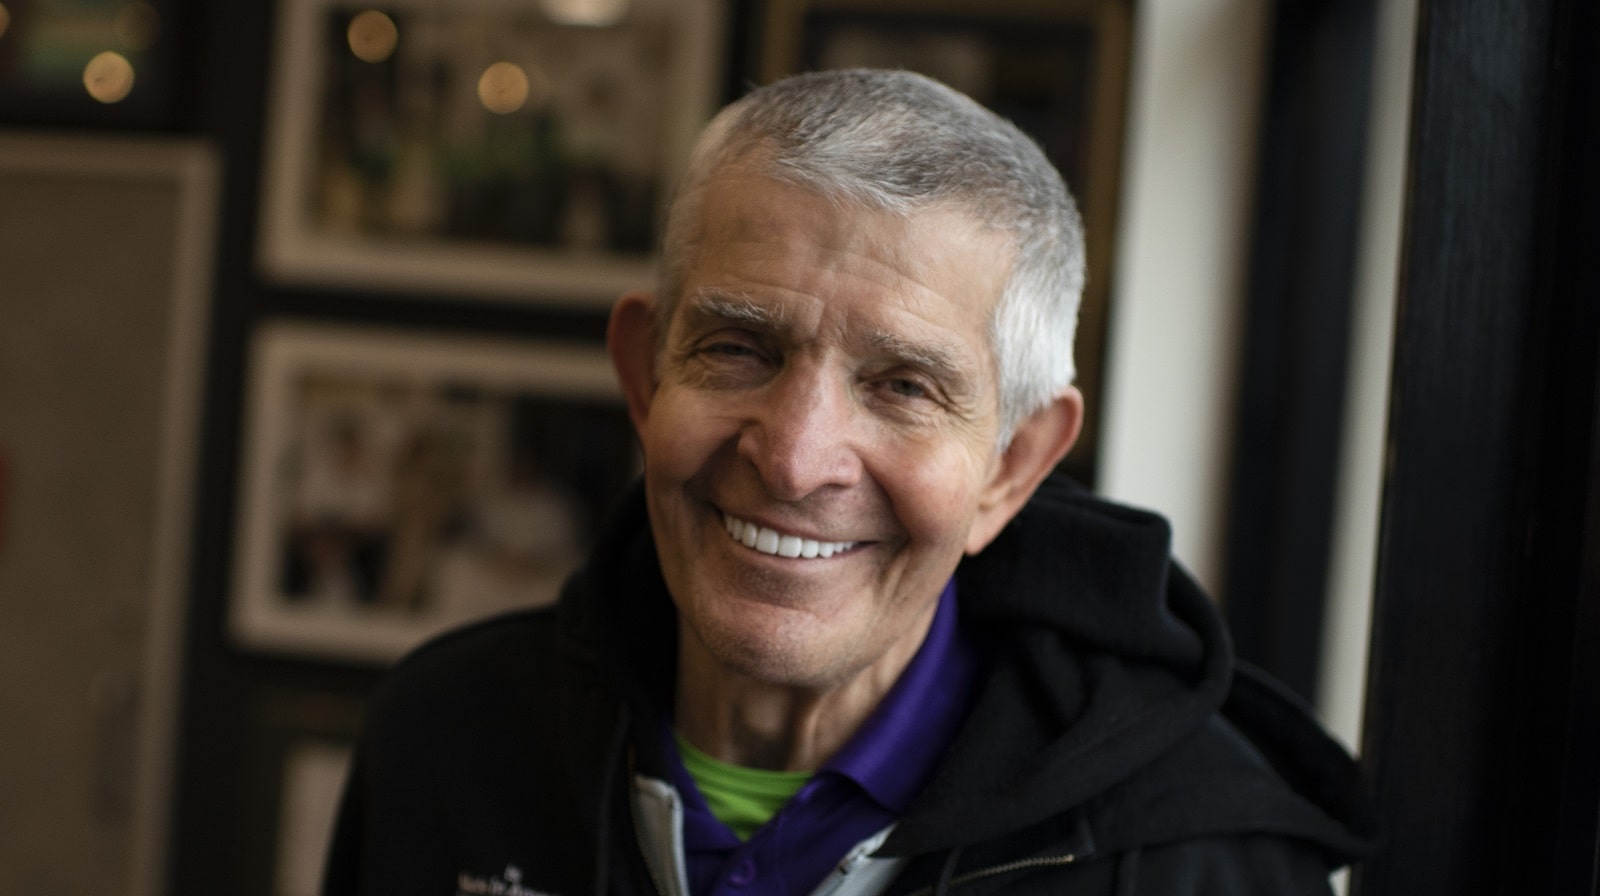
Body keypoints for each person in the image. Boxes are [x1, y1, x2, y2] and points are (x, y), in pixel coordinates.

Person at [323, 68, 1375, 895]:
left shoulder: (1204, 863)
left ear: (1011, 466)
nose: (792, 455)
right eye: (738, 347)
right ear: (644, 377)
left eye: (905, 384)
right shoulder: (445, 739)